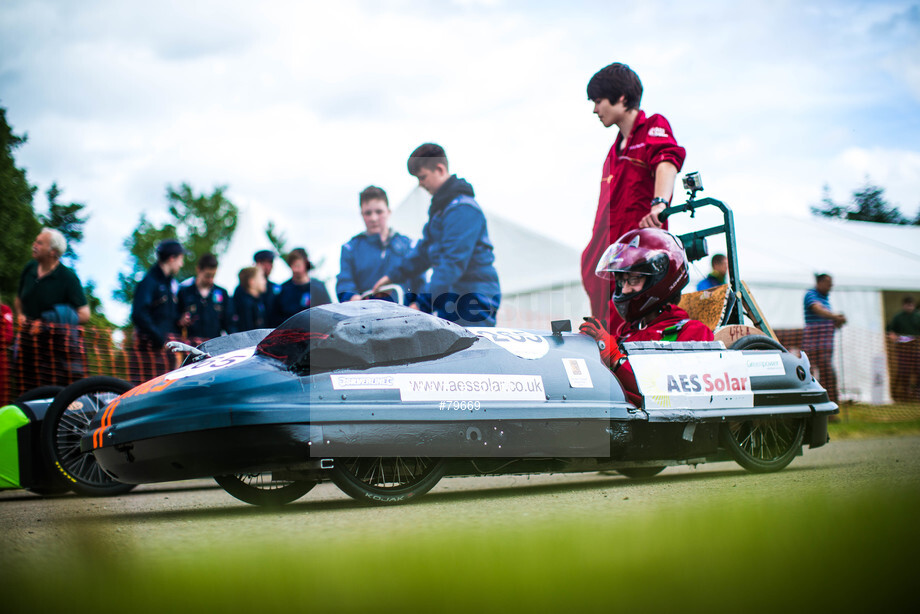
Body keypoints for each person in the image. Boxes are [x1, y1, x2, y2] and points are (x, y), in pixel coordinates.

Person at [581, 62, 686, 329]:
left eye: (598, 101)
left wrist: (660, 203)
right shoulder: (613, 150)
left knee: (627, 320)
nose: (595, 109)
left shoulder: (653, 126)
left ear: (622, 98)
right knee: (604, 324)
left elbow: (666, 160)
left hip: (637, 254)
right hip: (610, 252)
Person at [371, 143, 501, 327]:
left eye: (422, 177)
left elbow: (452, 264)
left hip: (473, 301)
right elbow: (424, 252)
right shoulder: (441, 211)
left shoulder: (462, 210)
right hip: (451, 299)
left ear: (439, 169)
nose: (420, 184)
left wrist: (421, 304)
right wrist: (393, 275)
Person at [579, 228, 714, 406]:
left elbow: (667, 398)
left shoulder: (693, 333)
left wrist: (616, 359)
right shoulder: (627, 334)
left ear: (659, 277)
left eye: (633, 280)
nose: (625, 290)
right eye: (621, 282)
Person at [13, 228, 90, 392]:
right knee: (23, 391)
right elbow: (19, 299)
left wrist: (48, 321)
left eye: (40, 243)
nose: (34, 245)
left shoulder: (68, 277)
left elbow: (84, 314)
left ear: (53, 252)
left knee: (49, 395)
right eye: (35, 241)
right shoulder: (30, 269)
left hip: (54, 354)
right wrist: (20, 314)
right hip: (26, 347)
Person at [336, 185, 424, 307]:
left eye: (379, 212)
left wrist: (418, 304)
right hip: (366, 319)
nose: (373, 218)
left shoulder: (409, 246)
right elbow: (344, 282)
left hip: (406, 318)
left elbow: (421, 282)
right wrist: (352, 297)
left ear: (389, 212)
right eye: (368, 213)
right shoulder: (350, 249)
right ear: (361, 214)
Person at [130, 239, 185, 382]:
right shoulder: (149, 282)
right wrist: (159, 339)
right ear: (171, 258)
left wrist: (180, 320)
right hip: (148, 353)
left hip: (164, 355)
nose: (181, 264)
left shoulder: (170, 284)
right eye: (180, 259)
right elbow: (139, 314)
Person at [802, 273, 846, 405]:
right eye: (828, 283)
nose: (831, 286)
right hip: (813, 346)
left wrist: (837, 321)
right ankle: (812, 403)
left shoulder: (825, 298)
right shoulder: (811, 294)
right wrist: (835, 317)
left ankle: (829, 404)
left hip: (826, 347)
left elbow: (827, 318)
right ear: (819, 283)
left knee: (828, 376)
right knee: (811, 375)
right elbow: (817, 309)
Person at [177, 253, 235, 343]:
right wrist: (181, 320)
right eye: (207, 276)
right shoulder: (184, 292)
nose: (211, 279)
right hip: (191, 345)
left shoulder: (222, 293)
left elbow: (229, 323)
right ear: (198, 270)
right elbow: (175, 317)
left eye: (213, 276)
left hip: (214, 345)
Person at [273, 248, 332, 323]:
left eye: (298, 266)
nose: (295, 270)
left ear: (305, 264)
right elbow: (276, 317)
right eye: (293, 266)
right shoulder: (283, 289)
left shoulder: (318, 286)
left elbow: (328, 313)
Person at [886, 296, 920, 401]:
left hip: (916, 346)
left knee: (918, 369)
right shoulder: (898, 317)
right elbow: (891, 330)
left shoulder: (918, 316)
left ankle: (916, 392)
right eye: (907, 305)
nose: (909, 307)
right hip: (902, 348)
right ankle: (904, 393)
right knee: (904, 371)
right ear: (903, 305)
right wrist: (893, 337)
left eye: (911, 305)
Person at [233, 266, 268, 332]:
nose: (265, 281)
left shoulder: (259, 301)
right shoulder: (246, 305)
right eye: (262, 278)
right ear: (252, 282)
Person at [254, 250, 282, 326]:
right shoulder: (245, 288)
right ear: (258, 264)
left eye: (271, 263)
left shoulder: (275, 288)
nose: (271, 266)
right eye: (268, 262)